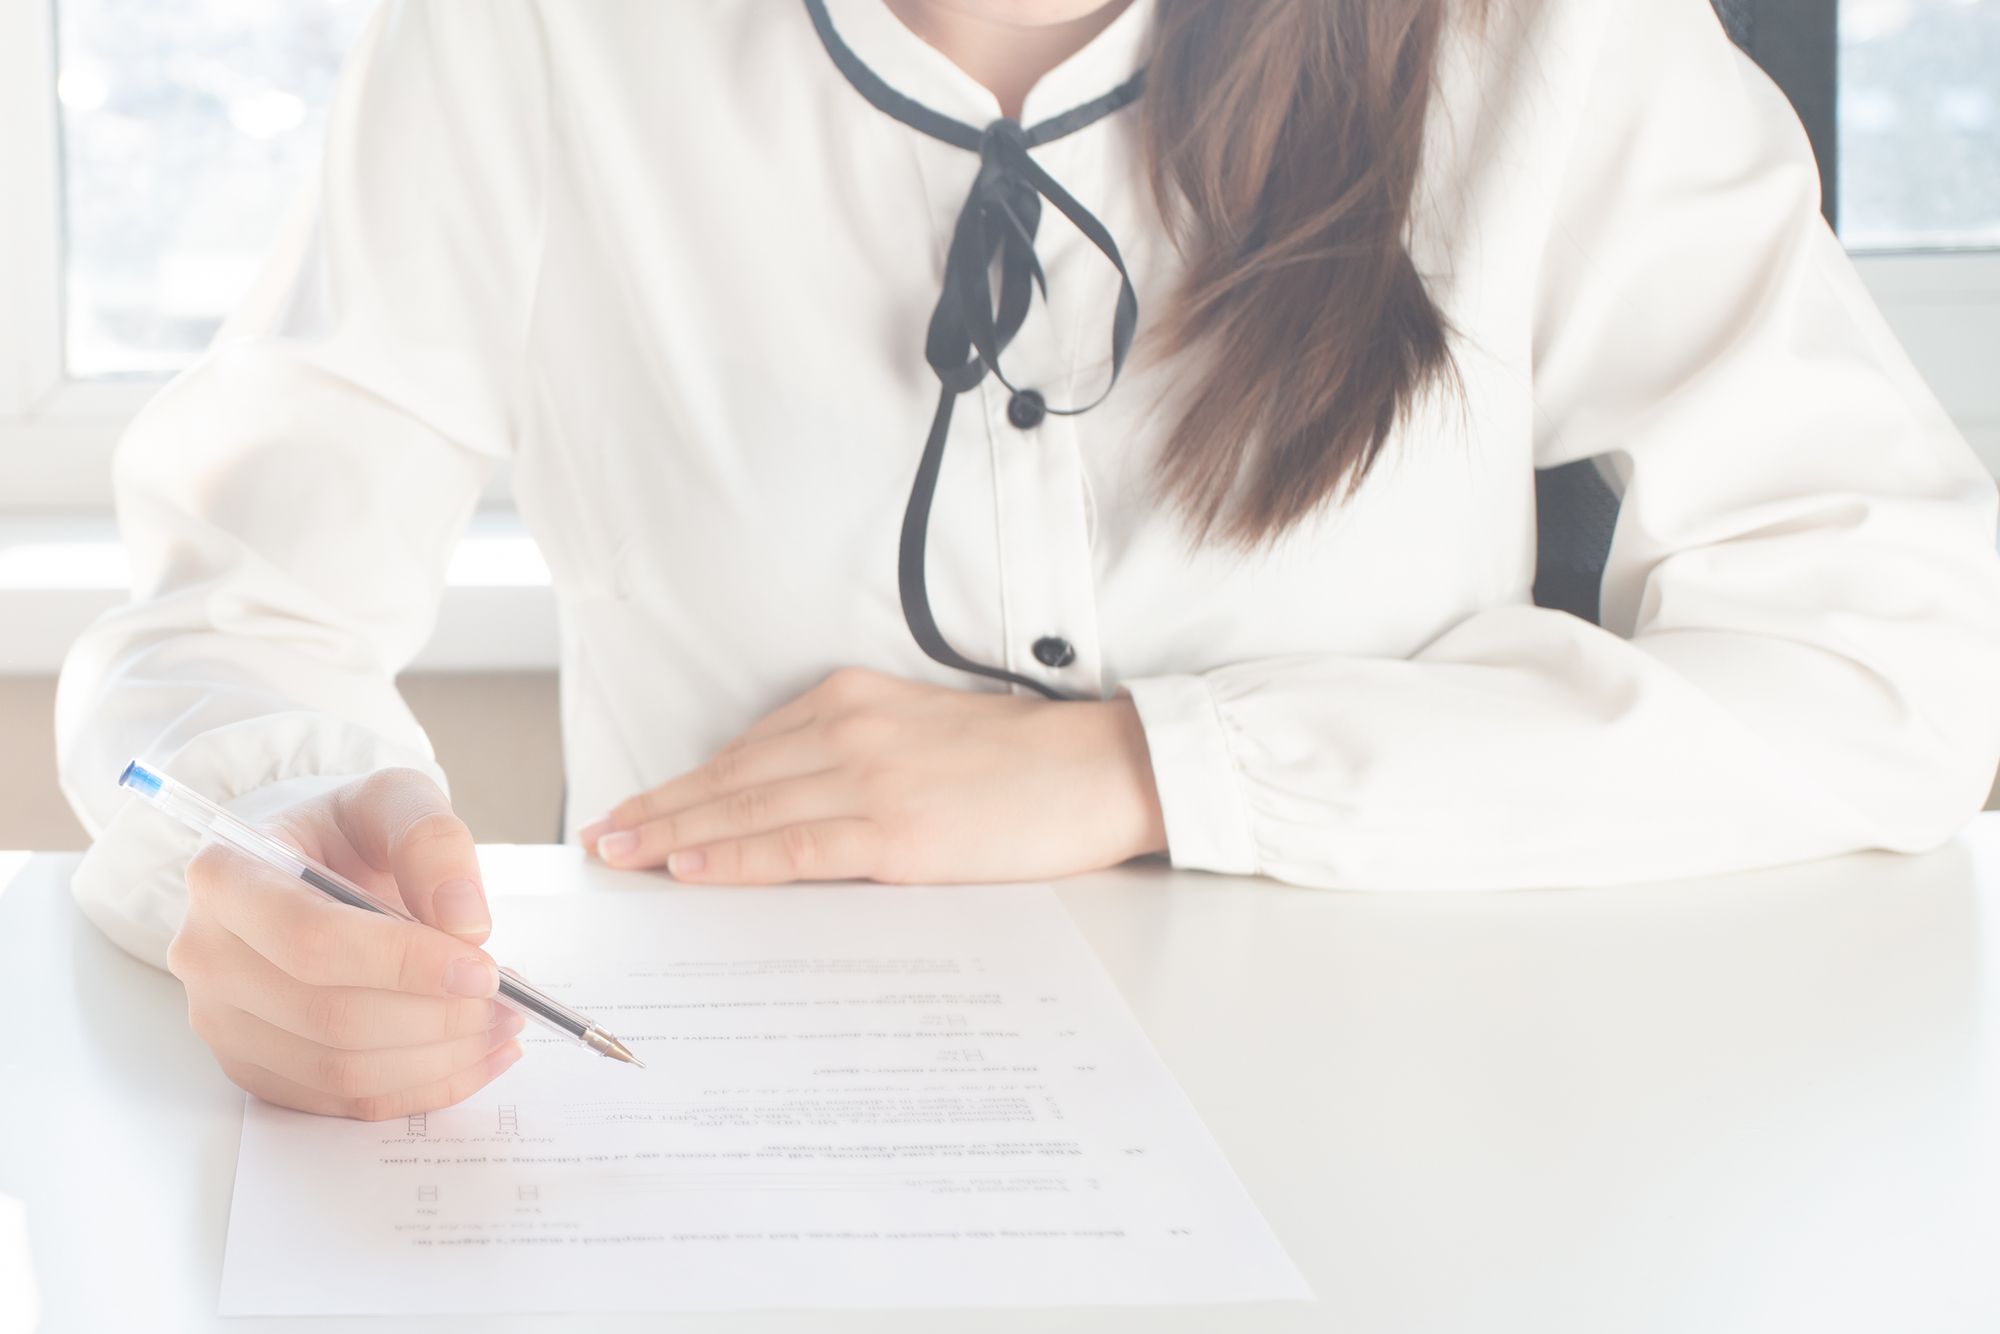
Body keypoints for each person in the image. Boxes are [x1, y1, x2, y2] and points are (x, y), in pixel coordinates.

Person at [54, 0, 2000, 1120]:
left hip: (1418, 1154)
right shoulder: (534, 38)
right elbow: (217, 633)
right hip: (730, 1172)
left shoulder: (1539, 34)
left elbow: (1912, 646)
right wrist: (251, 857)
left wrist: (1153, 764)